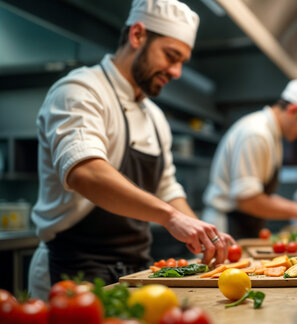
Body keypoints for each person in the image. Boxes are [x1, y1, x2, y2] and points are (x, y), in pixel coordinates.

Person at [28, 0, 233, 300]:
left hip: (137, 272)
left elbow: (166, 188)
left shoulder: (155, 117)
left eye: (182, 62)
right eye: (171, 56)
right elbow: (85, 172)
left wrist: (204, 232)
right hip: (73, 272)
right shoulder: (79, 91)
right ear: (137, 36)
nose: (176, 72)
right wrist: (169, 217)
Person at [202, 79, 297, 239]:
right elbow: (247, 200)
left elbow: (256, 193)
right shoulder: (257, 133)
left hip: (243, 225)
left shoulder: (271, 134)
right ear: (292, 110)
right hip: (226, 228)